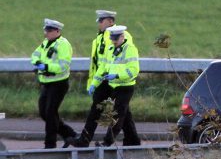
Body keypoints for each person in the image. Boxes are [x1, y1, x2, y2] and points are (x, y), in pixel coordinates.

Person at [70, 10, 134, 147]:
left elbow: (126, 61)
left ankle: (90, 140)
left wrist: (116, 75)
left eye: (101, 20)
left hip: (117, 80)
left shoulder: (122, 35)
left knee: (117, 111)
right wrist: (93, 82)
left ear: (110, 21)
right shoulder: (98, 38)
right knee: (112, 110)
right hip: (104, 79)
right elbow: (98, 63)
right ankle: (131, 139)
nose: (99, 23)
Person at [89, 25, 141, 146]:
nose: (113, 41)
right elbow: (102, 68)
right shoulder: (111, 48)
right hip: (113, 86)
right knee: (124, 115)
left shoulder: (130, 49)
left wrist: (117, 75)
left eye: (116, 39)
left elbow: (134, 70)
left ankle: (107, 142)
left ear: (122, 36)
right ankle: (133, 141)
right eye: (112, 38)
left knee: (117, 114)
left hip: (125, 86)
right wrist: (94, 84)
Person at [30, 18, 77, 148]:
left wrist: (46, 67)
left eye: (49, 31)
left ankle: (50, 144)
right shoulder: (45, 43)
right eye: (46, 30)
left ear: (57, 31)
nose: (46, 33)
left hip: (59, 83)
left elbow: (63, 65)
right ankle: (69, 134)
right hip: (46, 83)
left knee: (50, 113)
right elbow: (34, 55)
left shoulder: (63, 44)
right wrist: (37, 62)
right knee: (44, 112)